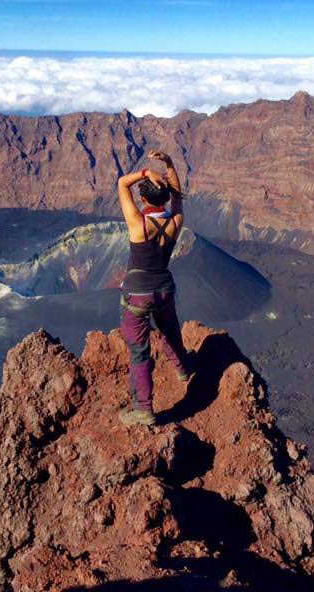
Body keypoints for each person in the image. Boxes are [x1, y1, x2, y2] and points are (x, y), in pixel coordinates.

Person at [116, 149, 192, 427]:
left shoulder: (138, 223)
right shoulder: (175, 222)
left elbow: (122, 183)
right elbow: (178, 197)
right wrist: (169, 164)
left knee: (139, 352)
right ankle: (183, 369)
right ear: (166, 198)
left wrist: (146, 172)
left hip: (137, 295)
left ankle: (144, 410)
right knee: (170, 330)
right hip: (164, 290)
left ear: (144, 199)